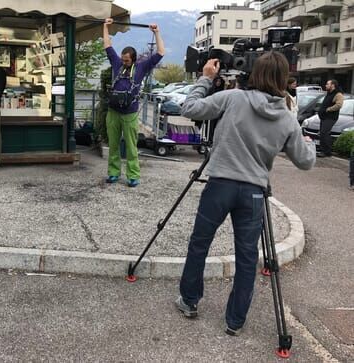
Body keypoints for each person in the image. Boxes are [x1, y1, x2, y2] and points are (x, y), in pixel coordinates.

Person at [175, 53, 316, 336]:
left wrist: (206, 77)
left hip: (219, 186)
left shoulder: (234, 98)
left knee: (199, 243)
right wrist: (307, 141)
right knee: (248, 257)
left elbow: (190, 108)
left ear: (254, 72)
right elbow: (305, 161)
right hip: (253, 192)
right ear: (283, 80)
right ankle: (235, 321)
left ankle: (189, 301)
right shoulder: (288, 119)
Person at [103, 18, 164, 187]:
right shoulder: (116, 63)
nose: (124, 62)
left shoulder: (142, 67)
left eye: (127, 60)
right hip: (113, 111)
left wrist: (157, 32)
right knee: (113, 144)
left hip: (130, 113)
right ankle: (113, 173)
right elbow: (107, 46)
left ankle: (133, 176)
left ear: (134, 59)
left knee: (131, 146)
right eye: (122, 59)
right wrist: (105, 27)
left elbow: (160, 52)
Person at [317, 79, 344, 157]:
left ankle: (326, 152)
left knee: (324, 133)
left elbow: (339, 105)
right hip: (324, 117)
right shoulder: (329, 93)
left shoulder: (338, 94)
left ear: (333, 85)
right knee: (323, 133)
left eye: (327, 84)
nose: (326, 85)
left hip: (331, 117)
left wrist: (328, 109)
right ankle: (325, 151)